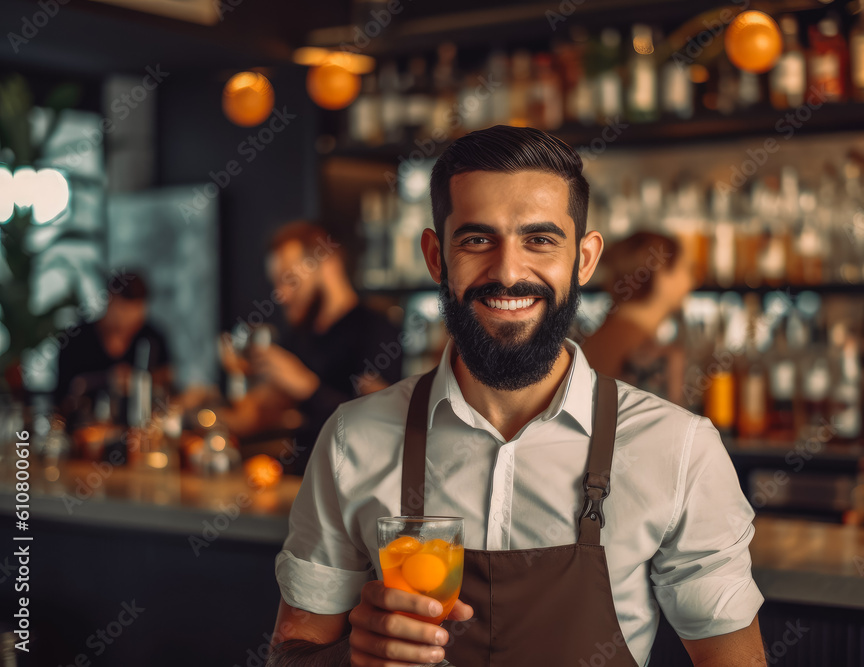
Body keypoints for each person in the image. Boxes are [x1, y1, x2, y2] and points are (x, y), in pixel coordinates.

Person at [268, 126, 765, 666]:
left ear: (585, 259)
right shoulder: (352, 439)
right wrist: (352, 660)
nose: (508, 272)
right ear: (436, 257)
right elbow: (291, 655)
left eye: (540, 240)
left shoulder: (679, 448)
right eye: (477, 240)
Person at [219, 222, 402, 475]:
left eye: (290, 279)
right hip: (303, 482)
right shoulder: (299, 336)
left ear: (328, 264)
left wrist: (305, 386)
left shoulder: (377, 331)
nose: (281, 295)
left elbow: (380, 426)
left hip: (355, 487)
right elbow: (258, 414)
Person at [582, 231, 695, 404]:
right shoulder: (643, 351)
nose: (691, 281)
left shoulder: (606, 334)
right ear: (661, 273)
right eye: (684, 268)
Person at [55, 271, 172, 420]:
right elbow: (63, 397)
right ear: (110, 300)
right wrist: (107, 379)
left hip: (142, 430)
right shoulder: (77, 339)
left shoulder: (151, 338)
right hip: (85, 431)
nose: (130, 320)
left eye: (138, 312)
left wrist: (139, 380)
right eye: (124, 310)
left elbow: (168, 379)